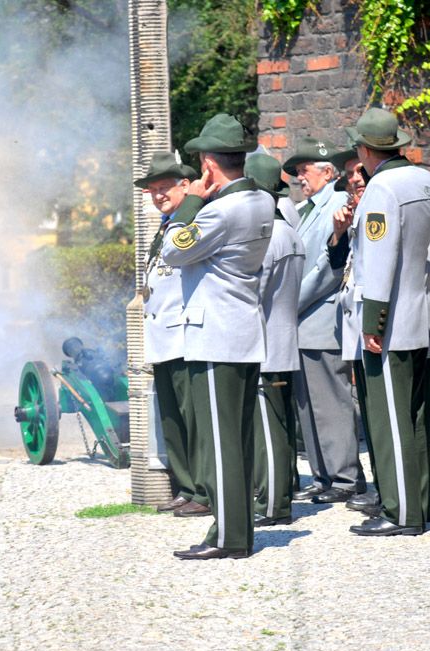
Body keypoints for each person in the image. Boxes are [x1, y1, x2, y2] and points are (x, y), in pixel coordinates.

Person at [160, 113, 275, 560]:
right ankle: (235, 530)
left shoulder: (221, 211)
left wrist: (189, 202)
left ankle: (229, 537)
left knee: (221, 440)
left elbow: (173, 250)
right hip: (242, 329)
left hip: (215, 335)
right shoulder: (263, 201)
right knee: (238, 438)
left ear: (209, 164)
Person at [341, 107, 430, 537]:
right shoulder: (422, 179)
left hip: (390, 321)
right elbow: (425, 252)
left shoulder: (381, 189)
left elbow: (379, 263)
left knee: (390, 420)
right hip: (419, 315)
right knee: (417, 418)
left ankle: (401, 512)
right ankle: (416, 501)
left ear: (365, 150)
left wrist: (372, 324)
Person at [281, 138, 365, 505]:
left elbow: (326, 267)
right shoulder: (310, 207)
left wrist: (291, 303)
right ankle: (322, 476)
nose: (299, 177)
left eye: (305, 169)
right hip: (304, 319)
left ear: (327, 172)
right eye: (298, 171)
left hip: (320, 315)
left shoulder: (335, 203)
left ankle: (345, 476)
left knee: (330, 402)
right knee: (308, 405)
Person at [135, 151, 205, 515]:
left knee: (192, 417)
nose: (158, 195)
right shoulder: (166, 224)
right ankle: (186, 485)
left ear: (185, 187)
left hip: (182, 333)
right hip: (161, 333)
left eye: (164, 188)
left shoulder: (192, 220)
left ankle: (204, 490)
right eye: (153, 190)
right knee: (172, 418)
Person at [244, 152, 305, 527]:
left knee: (269, 431)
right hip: (283, 340)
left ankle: (273, 505)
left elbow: (253, 291)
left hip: (266, 343)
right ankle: (279, 496)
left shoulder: (269, 236)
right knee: (280, 430)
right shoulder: (290, 232)